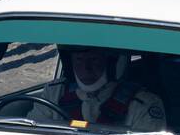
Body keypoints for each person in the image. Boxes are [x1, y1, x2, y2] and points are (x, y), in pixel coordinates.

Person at [36, 46, 166, 128]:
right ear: (70, 63)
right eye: (79, 60)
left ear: (110, 64)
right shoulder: (54, 93)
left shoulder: (143, 104)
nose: (86, 68)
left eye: (94, 60)